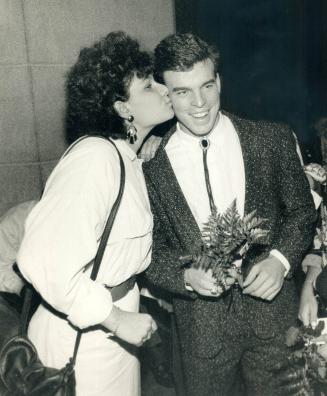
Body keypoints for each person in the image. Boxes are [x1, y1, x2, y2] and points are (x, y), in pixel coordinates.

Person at [142, 33, 317, 396]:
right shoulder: (150, 166)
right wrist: (186, 275)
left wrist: (280, 261)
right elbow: (146, 249)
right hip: (201, 334)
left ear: (219, 80)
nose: (200, 103)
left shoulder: (271, 140)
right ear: (165, 95)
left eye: (206, 85)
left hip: (273, 322)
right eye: (183, 92)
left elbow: (302, 212)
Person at [17, 31, 174, 396]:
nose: (165, 89)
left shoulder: (125, 156)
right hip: (81, 339)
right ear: (122, 107)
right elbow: (41, 260)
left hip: (112, 336)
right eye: (149, 86)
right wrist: (117, 319)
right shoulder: (95, 159)